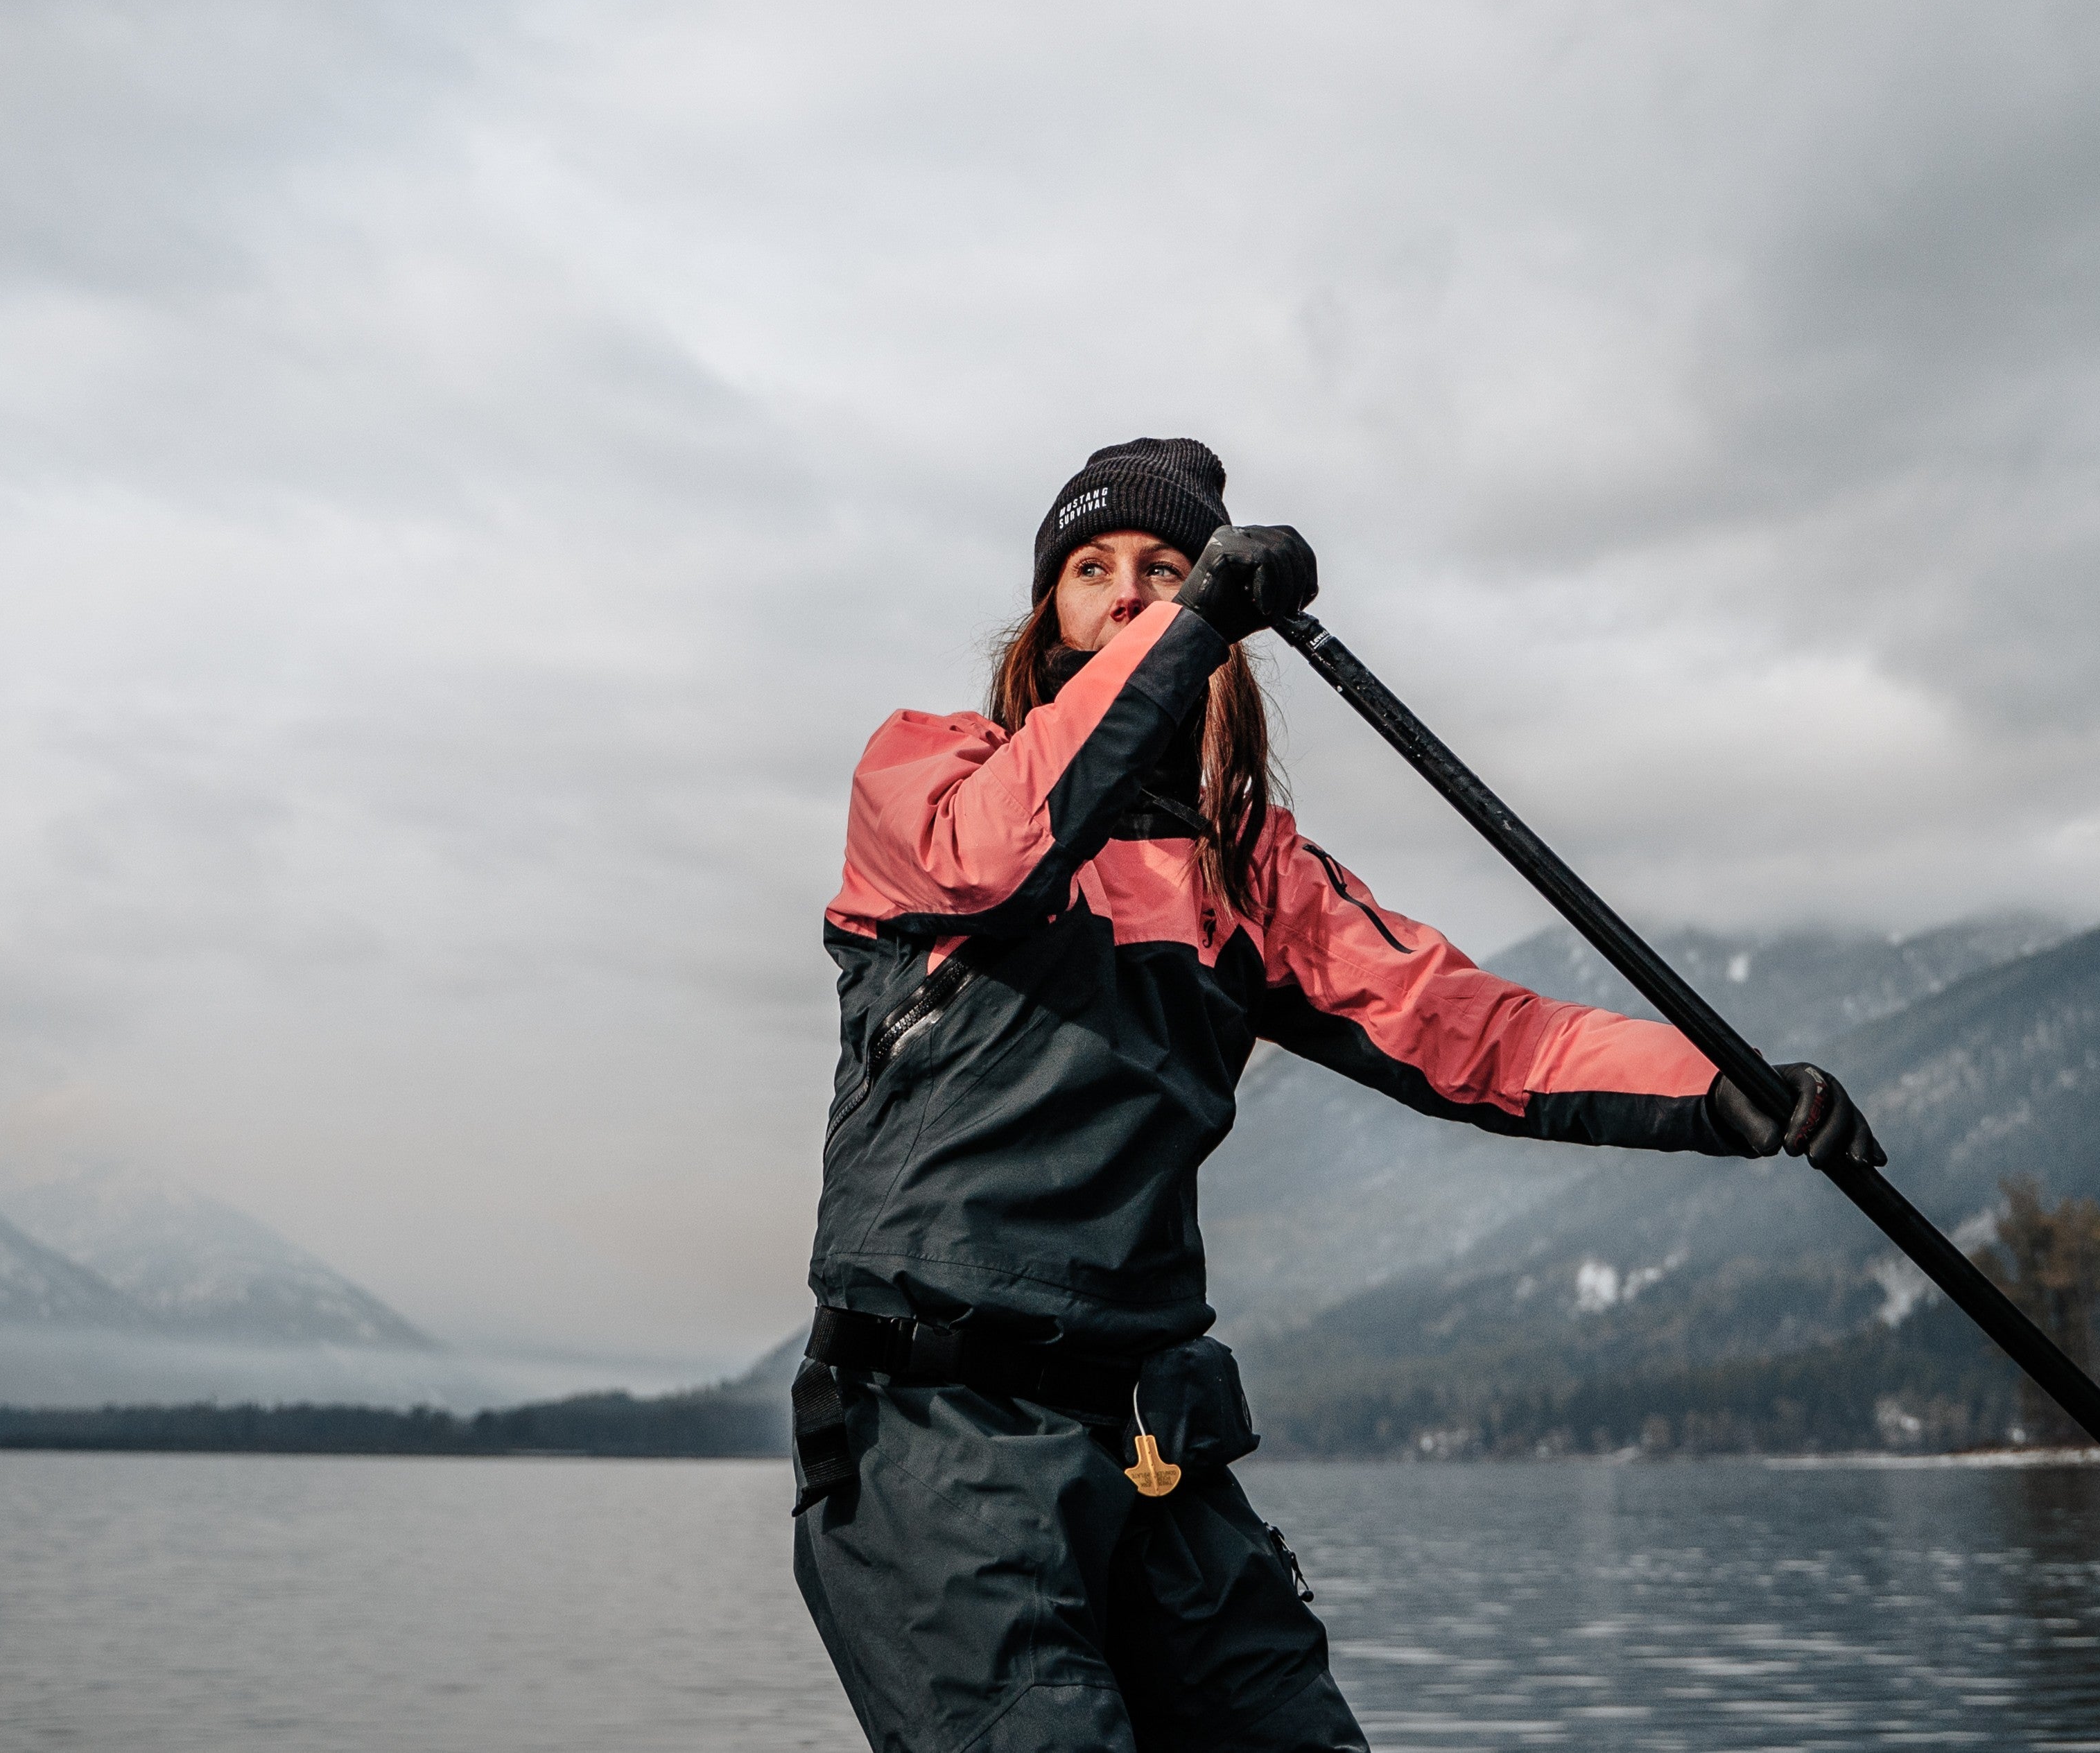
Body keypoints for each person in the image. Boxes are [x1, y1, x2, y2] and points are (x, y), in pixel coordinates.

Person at [792, 437, 1881, 1753]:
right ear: (1046, 616)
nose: (1129, 591)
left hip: (1152, 1439)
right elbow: (997, 858)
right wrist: (1191, 623)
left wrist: (1719, 1091)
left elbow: (1474, 1033)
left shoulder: (1250, 874)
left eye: (1165, 567)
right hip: (935, 1439)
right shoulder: (928, 773)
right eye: (1093, 569)